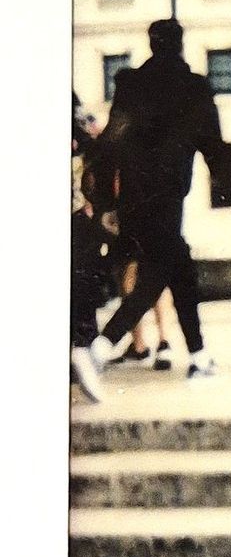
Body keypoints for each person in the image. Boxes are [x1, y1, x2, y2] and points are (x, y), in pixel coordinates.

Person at [86, 20, 226, 381]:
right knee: (159, 274)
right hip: (168, 198)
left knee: (179, 271)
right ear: (180, 45)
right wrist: (225, 189)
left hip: (132, 198)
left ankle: (199, 357)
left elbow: (110, 143)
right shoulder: (194, 87)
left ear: (151, 44)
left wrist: (105, 204)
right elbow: (214, 146)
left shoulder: (130, 84)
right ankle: (102, 347)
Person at [70, 93, 111, 402]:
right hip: (76, 213)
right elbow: (96, 134)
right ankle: (83, 349)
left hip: (77, 211)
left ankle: (82, 348)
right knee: (81, 283)